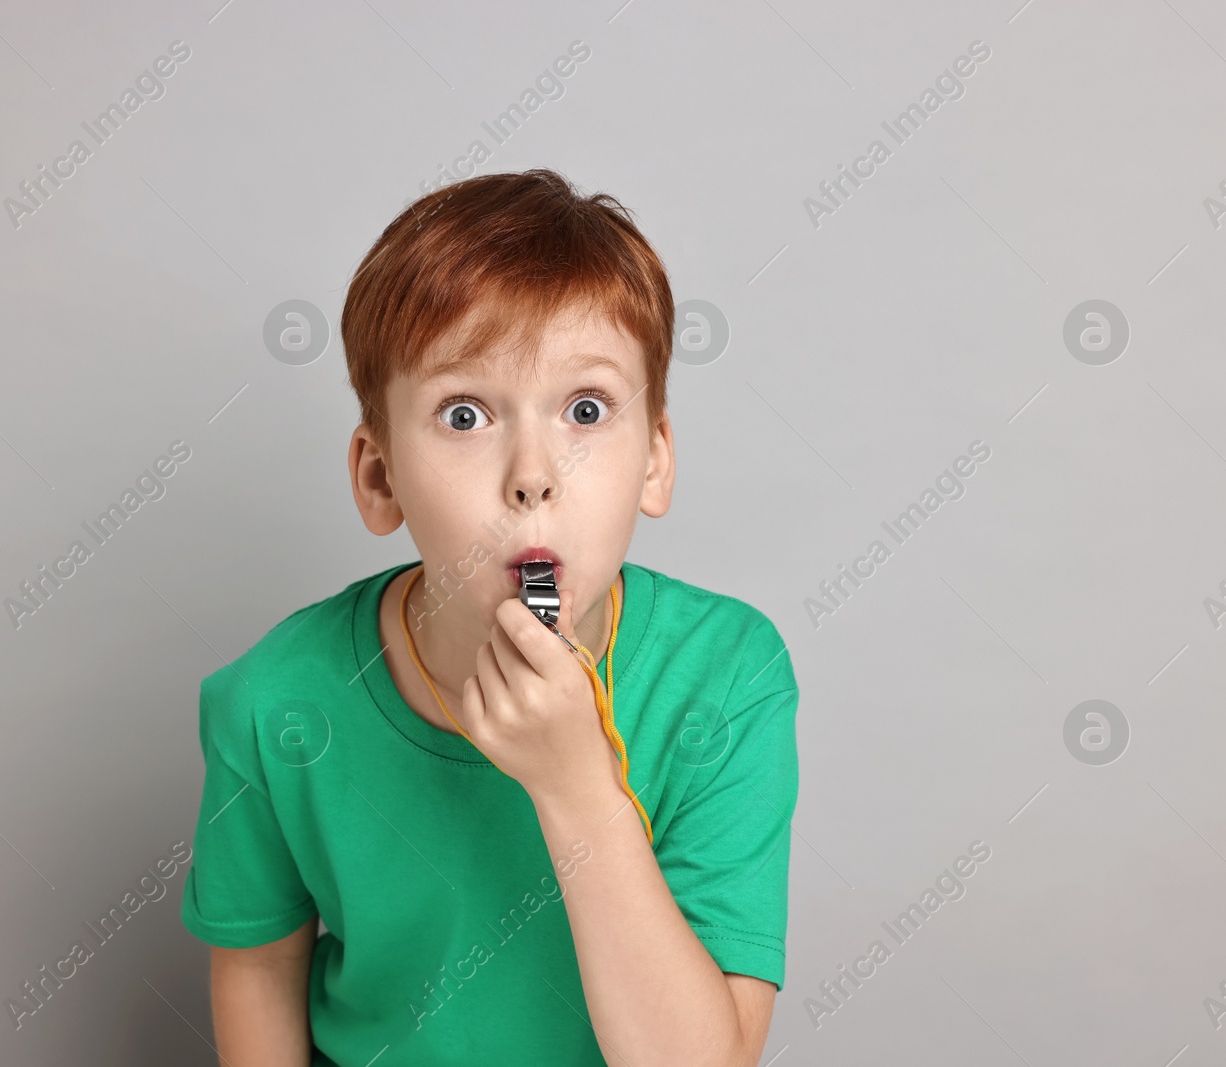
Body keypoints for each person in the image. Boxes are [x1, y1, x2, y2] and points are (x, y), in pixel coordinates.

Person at [179, 168, 799, 1066]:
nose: (532, 473)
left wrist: (576, 786)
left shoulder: (729, 674)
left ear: (655, 460)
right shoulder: (274, 700)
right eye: (464, 414)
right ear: (379, 475)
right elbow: (256, 976)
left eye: (586, 410)